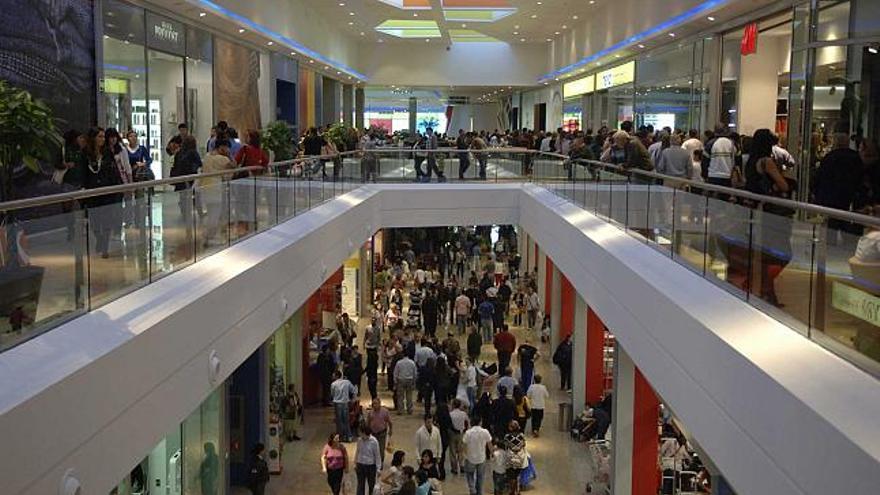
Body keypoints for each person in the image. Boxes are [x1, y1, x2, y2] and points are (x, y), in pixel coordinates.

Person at [744, 129, 792, 307]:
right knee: (781, 253)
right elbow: (783, 185)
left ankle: (766, 290)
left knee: (767, 253)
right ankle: (766, 288)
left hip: (757, 210)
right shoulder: (767, 161)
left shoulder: (750, 161)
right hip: (771, 211)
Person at [82, 127, 124, 258]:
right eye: (99, 136)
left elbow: (114, 170)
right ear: (93, 138)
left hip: (108, 190)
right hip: (92, 191)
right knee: (94, 220)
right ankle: (99, 238)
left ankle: (105, 246)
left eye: (103, 137)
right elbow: (83, 172)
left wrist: (118, 186)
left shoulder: (107, 152)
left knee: (107, 220)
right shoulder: (85, 153)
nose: (102, 139)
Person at [813, 132, 864, 232]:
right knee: (848, 224)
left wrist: (818, 194)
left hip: (832, 197)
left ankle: (832, 244)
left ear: (836, 143)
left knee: (833, 224)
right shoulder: (855, 157)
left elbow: (820, 177)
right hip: (850, 196)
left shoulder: (829, 157)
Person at [462, 415, 493, 495]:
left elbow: (464, 445)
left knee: (470, 475)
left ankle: (472, 490)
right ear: (480, 422)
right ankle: (479, 492)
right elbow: (489, 444)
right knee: (480, 477)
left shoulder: (468, 433)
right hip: (481, 458)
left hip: (470, 458)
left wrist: (464, 455)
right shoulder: (485, 431)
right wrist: (492, 453)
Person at [355, 423, 383, 495]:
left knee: (371, 485)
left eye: (360, 432)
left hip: (370, 466)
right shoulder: (359, 440)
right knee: (360, 485)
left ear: (364, 432)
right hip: (360, 464)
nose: (359, 433)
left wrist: (378, 468)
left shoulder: (374, 441)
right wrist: (356, 463)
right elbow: (358, 451)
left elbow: (377, 455)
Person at [331, 370, 358, 441]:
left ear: (336, 376)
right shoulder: (347, 382)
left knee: (339, 421)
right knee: (346, 420)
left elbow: (332, 394)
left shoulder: (333, 384)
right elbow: (354, 390)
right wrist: (353, 399)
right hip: (346, 403)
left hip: (337, 404)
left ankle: (340, 436)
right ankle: (349, 436)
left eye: (333, 375)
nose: (332, 376)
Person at [503, 420, 528, 495]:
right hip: (520, 457)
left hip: (511, 457)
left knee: (511, 475)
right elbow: (524, 444)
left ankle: (512, 491)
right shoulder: (521, 435)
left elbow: (505, 445)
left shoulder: (507, 436)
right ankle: (518, 490)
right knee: (517, 474)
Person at [447, 398, 470, 476]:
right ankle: (462, 465)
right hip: (461, 433)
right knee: (461, 451)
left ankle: (454, 468)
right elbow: (467, 423)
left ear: (453, 405)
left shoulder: (450, 414)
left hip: (452, 434)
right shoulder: (463, 414)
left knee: (452, 451)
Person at [367, 398, 393, 464]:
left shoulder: (385, 412)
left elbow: (390, 422)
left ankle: (380, 463)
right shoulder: (370, 412)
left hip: (382, 433)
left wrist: (391, 430)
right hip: (373, 433)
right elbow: (368, 422)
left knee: (381, 449)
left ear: (379, 404)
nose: (374, 405)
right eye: (373, 404)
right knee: (372, 449)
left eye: (376, 403)